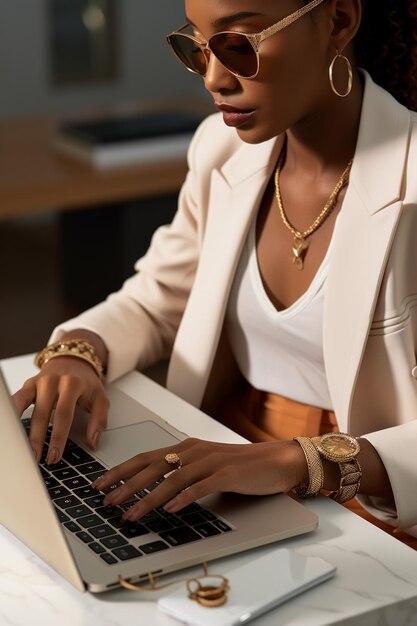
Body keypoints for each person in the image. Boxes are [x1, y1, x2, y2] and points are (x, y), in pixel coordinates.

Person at [12, 0, 417, 545]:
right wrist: (79, 351)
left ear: (340, 21)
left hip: (374, 501)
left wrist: (298, 462)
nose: (213, 78)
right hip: (218, 463)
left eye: (238, 45)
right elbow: (159, 297)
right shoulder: (220, 149)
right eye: (198, 46)